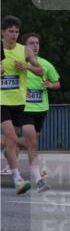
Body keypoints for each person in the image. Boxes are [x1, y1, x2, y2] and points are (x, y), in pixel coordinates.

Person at [2, 16, 45, 194]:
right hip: (1, 101)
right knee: (11, 138)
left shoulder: (24, 50)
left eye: (16, 31)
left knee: (16, 141)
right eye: (10, 31)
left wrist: (26, 67)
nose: (14, 34)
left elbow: (40, 71)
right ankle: (18, 179)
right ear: (2, 32)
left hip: (19, 102)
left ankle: (9, 156)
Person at [18, 33, 60, 183]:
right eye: (31, 43)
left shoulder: (46, 64)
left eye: (37, 43)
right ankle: (37, 177)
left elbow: (57, 83)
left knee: (30, 142)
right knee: (33, 142)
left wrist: (50, 85)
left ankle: (8, 143)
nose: (35, 46)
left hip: (41, 109)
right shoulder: (18, 63)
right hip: (25, 108)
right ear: (24, 47)